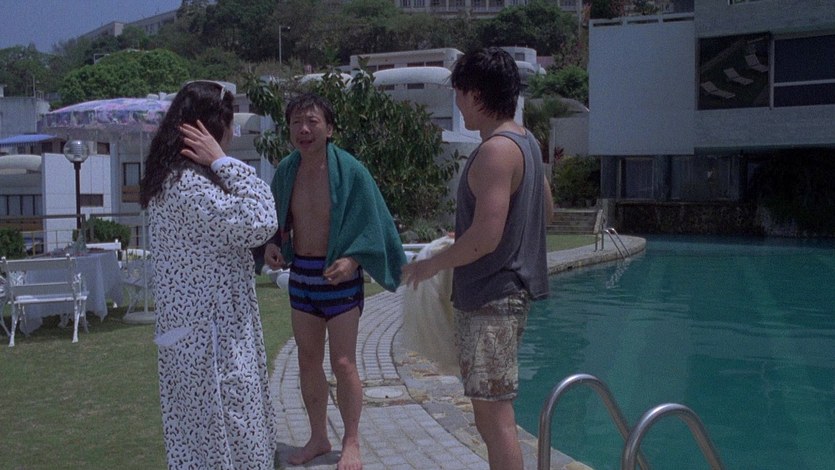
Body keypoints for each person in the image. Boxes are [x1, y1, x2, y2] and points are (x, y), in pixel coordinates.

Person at [401, 47, 552, 470]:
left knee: (494, 417)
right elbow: (545, 211)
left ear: (476, 94)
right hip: (507, 294)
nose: (458, 103)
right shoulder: (527, 143)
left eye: (460, 93)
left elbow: (486, 237)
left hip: (491, 297)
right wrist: (471, 233)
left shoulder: (496, 151)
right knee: (491, 412)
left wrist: (431, 264)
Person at [140, 80, 278, 469]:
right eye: (229, 125)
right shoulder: (188, 186)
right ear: (211, 128)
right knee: (232, 436)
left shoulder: (170, 180)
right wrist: (222, 160)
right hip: (211, 340)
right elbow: (261, 219)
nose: (232, 135)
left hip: (192, 335)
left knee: (198, 441)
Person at [264, 93, 406, 470]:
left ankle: (351, 441)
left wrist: (354, 259)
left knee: (343, 362)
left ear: (329, 129)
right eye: (296, 122)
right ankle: (318, 437)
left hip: (340, 279)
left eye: (312, 121)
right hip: (303, 276)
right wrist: (273, 246)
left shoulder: (351, 171)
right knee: (307, 359)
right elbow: (273, 222)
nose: (304, 129)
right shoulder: (286, 171)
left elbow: (374, 223)